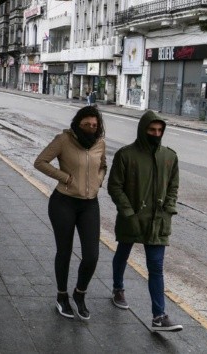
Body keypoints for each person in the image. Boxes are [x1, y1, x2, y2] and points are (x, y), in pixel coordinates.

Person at [108, 110, 182, 332]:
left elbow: (173, 186)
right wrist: (128, 212)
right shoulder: (126, 155)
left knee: (156, 266)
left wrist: (168, 209)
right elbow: (115, 186)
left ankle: (159, 316)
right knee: (123, 252)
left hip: (157, 220)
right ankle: (118, 288)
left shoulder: (169, 156)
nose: (156, 134)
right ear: (143, 130)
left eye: (159, 130)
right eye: (152, 130)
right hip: (132, 218)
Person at [34, 106, 107, 320]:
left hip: (89, 204)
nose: (91, 128)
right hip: (63, 202)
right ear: (78, 124)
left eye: (94, 125)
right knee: (64, 252)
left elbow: (103, 165)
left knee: (92, 255)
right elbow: (40, 162)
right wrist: (65, 178)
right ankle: (62, 296)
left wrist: (99, 180)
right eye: (86, 125)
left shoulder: (100, 143)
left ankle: (80, 293)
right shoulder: (63, 140)